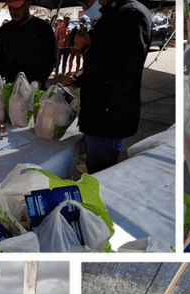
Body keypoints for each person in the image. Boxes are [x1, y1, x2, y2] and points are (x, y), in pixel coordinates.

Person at [59, 0, 150, 173]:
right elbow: (103, 61)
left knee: (101, 176)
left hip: (108, 121)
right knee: (95, 170)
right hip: (97, 116)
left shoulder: (131, 15)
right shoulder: (112, 14)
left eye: (86, 2)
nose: (85, 8)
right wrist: (78, 81)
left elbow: (122, 76)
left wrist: (86, 49)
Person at [0, 0, 56, 88]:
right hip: (11, 88)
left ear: (28, 4)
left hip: (35, 88)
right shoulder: (4, 30)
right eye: (11, 8)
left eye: (18, 7)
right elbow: (0, 59)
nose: (14, 11)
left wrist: (39, 81)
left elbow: (51, 58)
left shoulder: (43, 28)